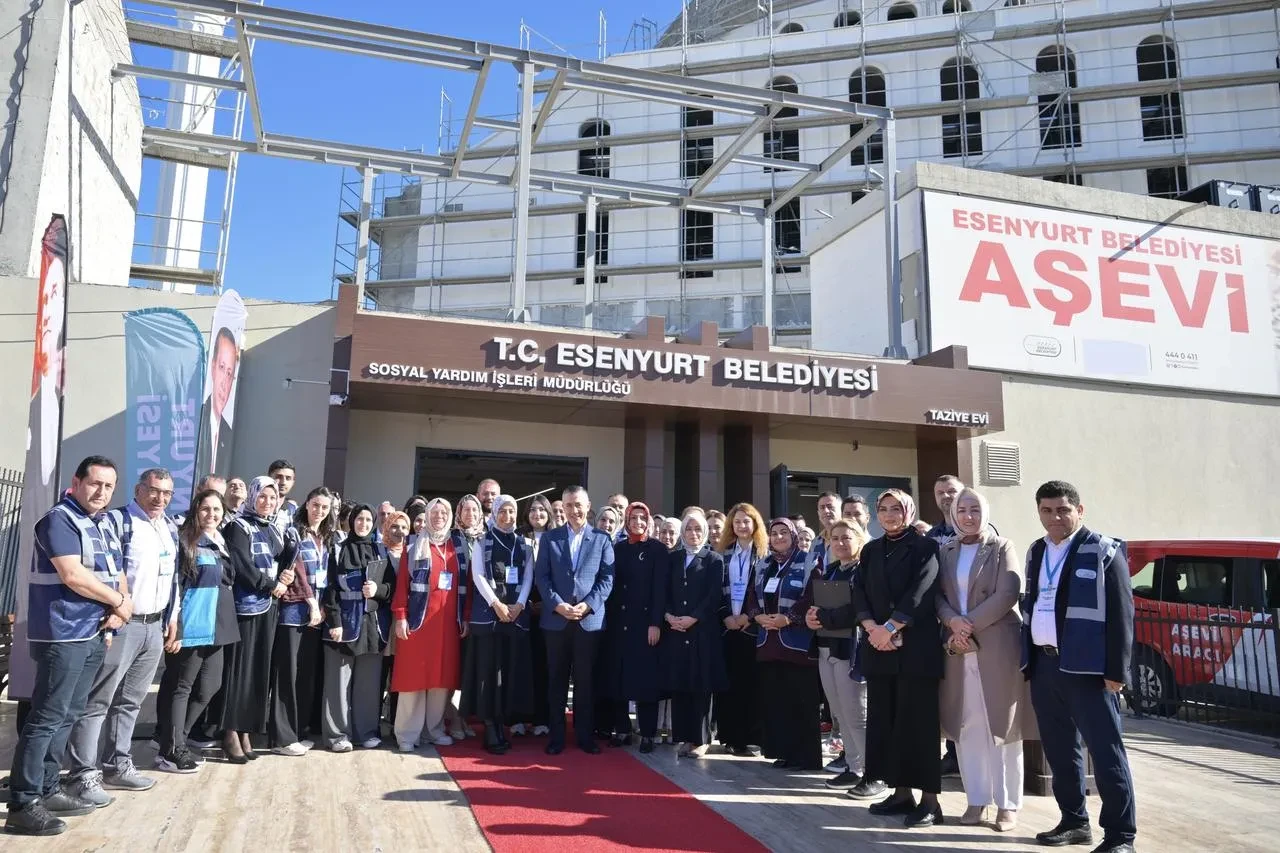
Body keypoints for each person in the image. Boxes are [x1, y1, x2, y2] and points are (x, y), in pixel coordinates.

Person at [5, 457, 128, 837]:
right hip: (62, 633)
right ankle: (23, 802)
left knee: (69, 713)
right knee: (45, 717)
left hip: (91, 632)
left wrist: (120, 606)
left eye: (109, 486)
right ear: (76, 482)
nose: (102, 492)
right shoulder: (59, 519)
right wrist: (120, 602)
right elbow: (73, 575)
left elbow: (117, 569)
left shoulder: (103, 522)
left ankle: (47, 787)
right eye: (95, 483)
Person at [1023, 481, 1136, 853]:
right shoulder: (1036, 551)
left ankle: (1121, 836)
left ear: (1079, 510)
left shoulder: (1104, 550)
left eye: (1062, 510)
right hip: (1045, 665)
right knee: (1059, 751)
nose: (1054, 517)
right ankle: (1074, 822)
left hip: (1089, 671)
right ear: (1038, 512)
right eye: (1046, 510)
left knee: (1105, 752)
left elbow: (1122, 614)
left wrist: (1116, 671)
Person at [67, 468, 180, 802]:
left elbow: (171, 577)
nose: (160, 498)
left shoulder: (168, 526)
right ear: (138, 489)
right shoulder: (116, 521)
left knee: (130, 701)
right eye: (154, 490)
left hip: (154, 625)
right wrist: (112, 612)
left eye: (167, 493)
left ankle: (117, 765)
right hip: (122, 625)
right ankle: (81, 775)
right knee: (99, 700)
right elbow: (99, 569)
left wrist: (172, 616)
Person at [834, 489, 943, 829]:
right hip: (878, 648)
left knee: (918, 726)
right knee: (887, 723)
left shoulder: (926, 547)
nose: (890, 514)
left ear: (909, 511)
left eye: (897, 508)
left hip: (915, 650)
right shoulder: (871, 550)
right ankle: (900, 792)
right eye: (884, 509)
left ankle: (929, 801)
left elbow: (922, 592)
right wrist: (871, 628)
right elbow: (860, 591)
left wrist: (892, 627)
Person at [937, 487, 1025, 832]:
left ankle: (1007, 804)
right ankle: (977, 798)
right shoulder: (946, 551)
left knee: (1001, 725)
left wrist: (968, 623)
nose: (968, 515)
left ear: (984, 512)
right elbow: (938, 597)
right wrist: (953, 623)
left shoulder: (1002, 547)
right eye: (962, 510)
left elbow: (1008, 591)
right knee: (967, 722)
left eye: (974, 509)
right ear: (954, 515)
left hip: (995, 644)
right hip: (958, 648)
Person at [154, 488, 239, 774]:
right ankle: (171, 750)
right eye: (206, 509)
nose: (211, 515)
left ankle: (177, 738)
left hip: (218, 625)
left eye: (216, 510)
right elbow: (176, 586)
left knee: (209, 687)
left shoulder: (221, 540)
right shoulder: (185, 540)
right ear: (195, 510)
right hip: (191, 624)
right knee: (182, 687)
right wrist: (174, 625)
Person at [220, 476, 297, 763]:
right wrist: (270, 584)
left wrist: (285, 576)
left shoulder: (273, 528)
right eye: (262, 496)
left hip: (270, 608)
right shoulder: (237, 527)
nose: (267, 502)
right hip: (246, 609)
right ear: (252, 497)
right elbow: (242, 566)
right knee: (240, 672)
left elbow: (281, 561)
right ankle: (230, 731)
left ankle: (247, 730)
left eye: (272, 497)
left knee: (259, 673)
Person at [534, 485, 615, 755]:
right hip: (556, 621)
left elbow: (607, 579)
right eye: (568, 505)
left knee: (585, 680)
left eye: (578, 504)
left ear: (588, 505)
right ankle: (556, 737)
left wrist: (587, 605)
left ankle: (584, 736)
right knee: (556, 680)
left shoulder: (602, 539)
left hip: (588, 622)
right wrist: (558, 604)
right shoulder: (550, 538)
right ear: (563, 508)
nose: (574, 510)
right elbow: (542, 577)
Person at [392, 498, 467, 751]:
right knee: (413, 679)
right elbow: (402, 583)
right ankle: (407, 735)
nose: (439, 516)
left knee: (440, 680)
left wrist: (464, 617)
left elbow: (465, 586)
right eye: (434, 512)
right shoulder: (413, 545)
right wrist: (400, 616)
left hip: (447, 625)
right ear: (426, 515)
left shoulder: (456, 546)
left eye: (444, 512)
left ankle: (433, 731)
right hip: (418, 623)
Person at [461, 494, 534, 754]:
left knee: (510, 672)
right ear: (494, 513)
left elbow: (528, 577)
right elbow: (478, 575)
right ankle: (490, 727)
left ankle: (503, 722)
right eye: (502, 511)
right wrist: (497, 604)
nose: (507, 516)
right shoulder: (483, 540)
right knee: (490, 674)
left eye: (512, 511)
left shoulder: (524, 543)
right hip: (490, 616)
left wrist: (520, 605)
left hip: (515, 616)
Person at [747, 517, 820, 772]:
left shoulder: (809, 560)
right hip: (769, 644)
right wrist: (757, 615)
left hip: (797, 645)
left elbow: (812, 595)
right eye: (774, 533)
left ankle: (806, 757)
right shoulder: (763, 564)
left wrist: (787, 619)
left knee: (802, 702)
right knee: (778, 703)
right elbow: (751, 595)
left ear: (794, 535)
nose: (778, 538)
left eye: (783, 533)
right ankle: (785, 752)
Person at [805, 520, 872, 791]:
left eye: (846, 537)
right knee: (840, 714)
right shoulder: (831, 570)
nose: (840, 543)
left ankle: (869, 770)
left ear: (859, 539)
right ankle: (853, 765)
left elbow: (858, 609)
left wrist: (823, 616)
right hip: (826, 646)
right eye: (835, 538)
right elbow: (817, 605)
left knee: (856, 712)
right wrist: (812, 617)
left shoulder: (863, 571)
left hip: (850, 648)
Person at [322, 504, 395, 751]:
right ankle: (337, 736)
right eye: (359, 519)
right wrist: (334, 622)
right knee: (338, 684)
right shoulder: (338, 549)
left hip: (373, 626)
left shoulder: (380, 549)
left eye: (367, 519)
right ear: (351, 521)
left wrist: (379, 591)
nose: (363, 523)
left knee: (368, 683)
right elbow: (330, 588)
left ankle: (366, 732)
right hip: (344, 625)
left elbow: (391, 587)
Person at [269, 487, 332, 756]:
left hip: (316, 614)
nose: (319, 511)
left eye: (325, 507)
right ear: (307, 505)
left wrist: (322, 606)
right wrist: (311, 603)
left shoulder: (325, 537)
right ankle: (281, 737)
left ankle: (298, 729)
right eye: (316, 505)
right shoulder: (294, 532)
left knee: (305, 675)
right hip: (295, 611)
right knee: (287, 673)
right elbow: (299, 572)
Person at [600, 502, 666, 753]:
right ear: (626, 521)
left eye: (642, 517)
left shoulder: (657, 550)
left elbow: (659, 589)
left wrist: (655, 623)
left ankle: (647, 732)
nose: (637, 521)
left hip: (644, 624)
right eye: (633, 517)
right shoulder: (617, 548)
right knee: (618, 677)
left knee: (644, 680)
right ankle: (622, 728)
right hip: (619, 623)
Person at [661, 509, 727, 758]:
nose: (693, 533)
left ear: (706, 533)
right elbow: (664, 591)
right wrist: (668, 616)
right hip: (675, 629)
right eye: (688, 529)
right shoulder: (673, 558)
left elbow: (714, 596)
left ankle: (700, 739)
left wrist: (693, 618)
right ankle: (684, 737)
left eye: (698, 529)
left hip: (701, 631)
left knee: (700, 685)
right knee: (680, 684)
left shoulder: (714, 559)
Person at [715, 502, 766, 758]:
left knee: (751, 684)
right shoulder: (723, 553)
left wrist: (749, 616)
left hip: (752, 628)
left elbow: (766, 593)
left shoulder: (764, 554)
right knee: (729, 684)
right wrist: (726, 616)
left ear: (755, 524)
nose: (742, 526)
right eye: (737, 522)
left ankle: (750, 738)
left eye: (747, 521)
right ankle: (729, 736)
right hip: (728, 627)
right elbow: (716, 590)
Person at [513, 495, 555, 738]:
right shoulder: (519, 538)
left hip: (549, 612)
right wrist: (524, 603)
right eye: (533, 510)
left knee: (544, 667)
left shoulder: (557, 537)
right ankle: (518, 718)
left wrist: (547, 604)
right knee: (521, 666)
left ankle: (542, 718)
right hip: (522, 609)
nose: (537, 514)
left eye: (542, 509)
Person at [449, 495, 487, 740]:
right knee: (456, 666)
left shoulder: (486, 538)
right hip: (457, 608)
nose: (470, 513)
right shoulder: (452, 539)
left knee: (471, 667)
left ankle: (464, 717)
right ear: (459, 513)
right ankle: (454, 720)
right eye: (466, 509)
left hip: (481, 610)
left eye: (474, 509)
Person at [196, 327, 239, 475]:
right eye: (222, 368)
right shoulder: (197, 421)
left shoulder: (227, 432)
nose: (224, 382)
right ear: (213, 367)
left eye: (229, 373)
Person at [927, 476, 964, 545]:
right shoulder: (930, 535)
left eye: (951, 491)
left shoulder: (974, 533)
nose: (945, 496)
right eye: (940, 493)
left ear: (963, 494)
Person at [268, 460, 299, 533]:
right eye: (279, 477)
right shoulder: (252, 506)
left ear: (293, 482)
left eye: (288, 478)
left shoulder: (294, 512)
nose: (283, 482)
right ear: (269, 478)